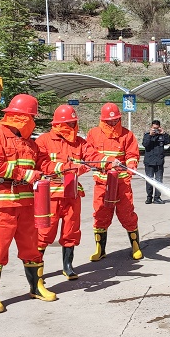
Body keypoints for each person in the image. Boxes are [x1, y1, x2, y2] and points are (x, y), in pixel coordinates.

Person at [0, 93, 57, 314]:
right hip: (4, 205)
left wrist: (64, 167)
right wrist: (25, 174)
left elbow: (44, 164)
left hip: (28, 205)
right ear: (22, 117)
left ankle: (36, 287)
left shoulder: (30, 144)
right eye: (31, 117)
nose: (33, 122)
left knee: (31, 248)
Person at [35, 104, 113, 280]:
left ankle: (68, 266)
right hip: (50, 195)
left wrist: (109, 161)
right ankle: (36, 268)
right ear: (58, 124)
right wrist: (67, 167)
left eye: (73, 123)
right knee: (44, 232)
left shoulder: (80, 143)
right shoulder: (44, 141)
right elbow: (42, 164)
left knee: (71, 230)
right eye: (69, 124)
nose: (72, 127)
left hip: (72, 193)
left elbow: (93, 157)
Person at [86, 102, 143, 261]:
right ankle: (100, 249)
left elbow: (132, 154)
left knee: (127, 214)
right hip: (102, 183)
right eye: (109, 120)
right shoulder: (93, 134)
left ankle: (135, 246)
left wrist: (131, 165)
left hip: (122, 183)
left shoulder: (127, 135)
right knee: (100, 214)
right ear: (102, 119)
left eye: (115, 120)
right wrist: (107, 161)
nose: (112, 122)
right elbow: (89, 155)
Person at [142, 119, 170, 204]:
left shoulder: (161, 136)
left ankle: (157, 198)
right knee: (149, 180)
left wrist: (164, 133)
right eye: (154, 128)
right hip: (149, 162)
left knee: (159, 180)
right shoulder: (147, 135)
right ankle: (149, 197)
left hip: (159, 162)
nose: (155, 130)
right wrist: (150, 135)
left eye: (157, 128)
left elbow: (169, 141)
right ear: (151, 127)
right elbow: (145, 144)